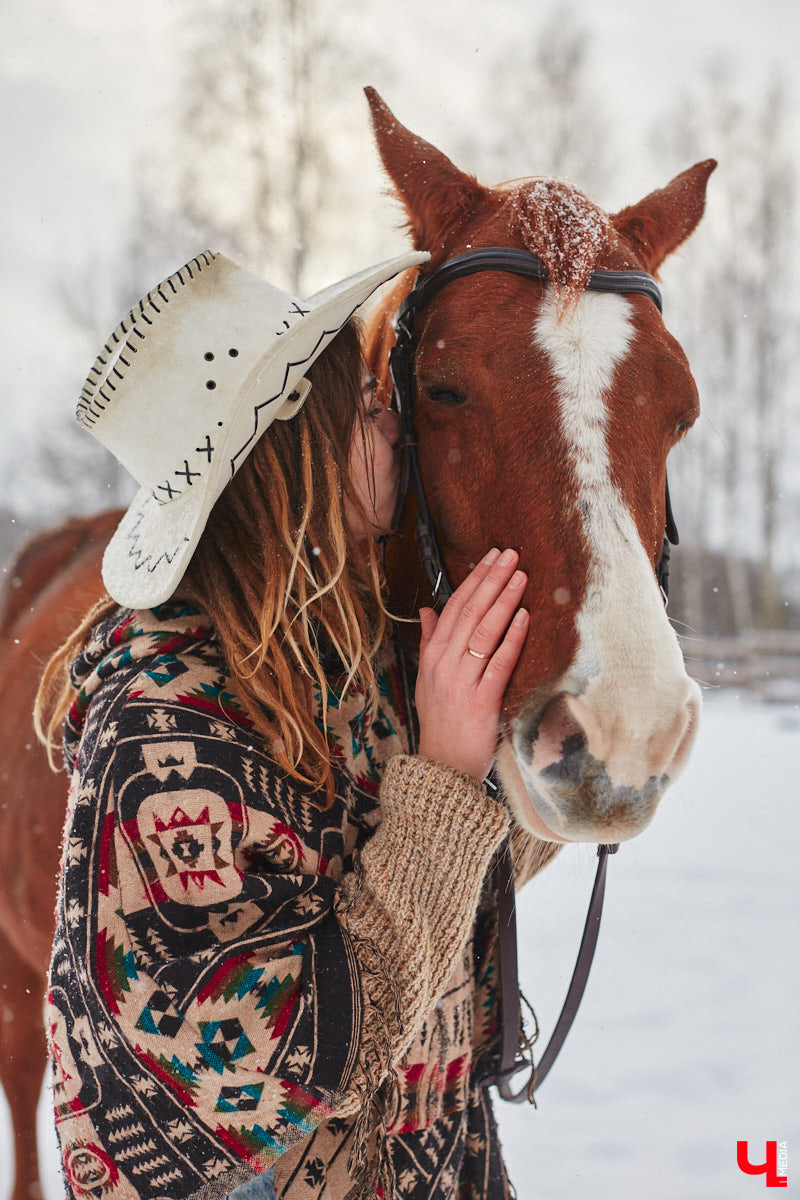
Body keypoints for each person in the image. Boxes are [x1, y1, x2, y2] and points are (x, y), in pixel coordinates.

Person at [36, 248, 549, 1200]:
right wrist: (440, 779)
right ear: (285, 460)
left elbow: (458, 887)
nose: (395, 424)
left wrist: (564, 759)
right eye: (362, 406)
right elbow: (304, 1053)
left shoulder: (341, 659)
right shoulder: (160, 740)